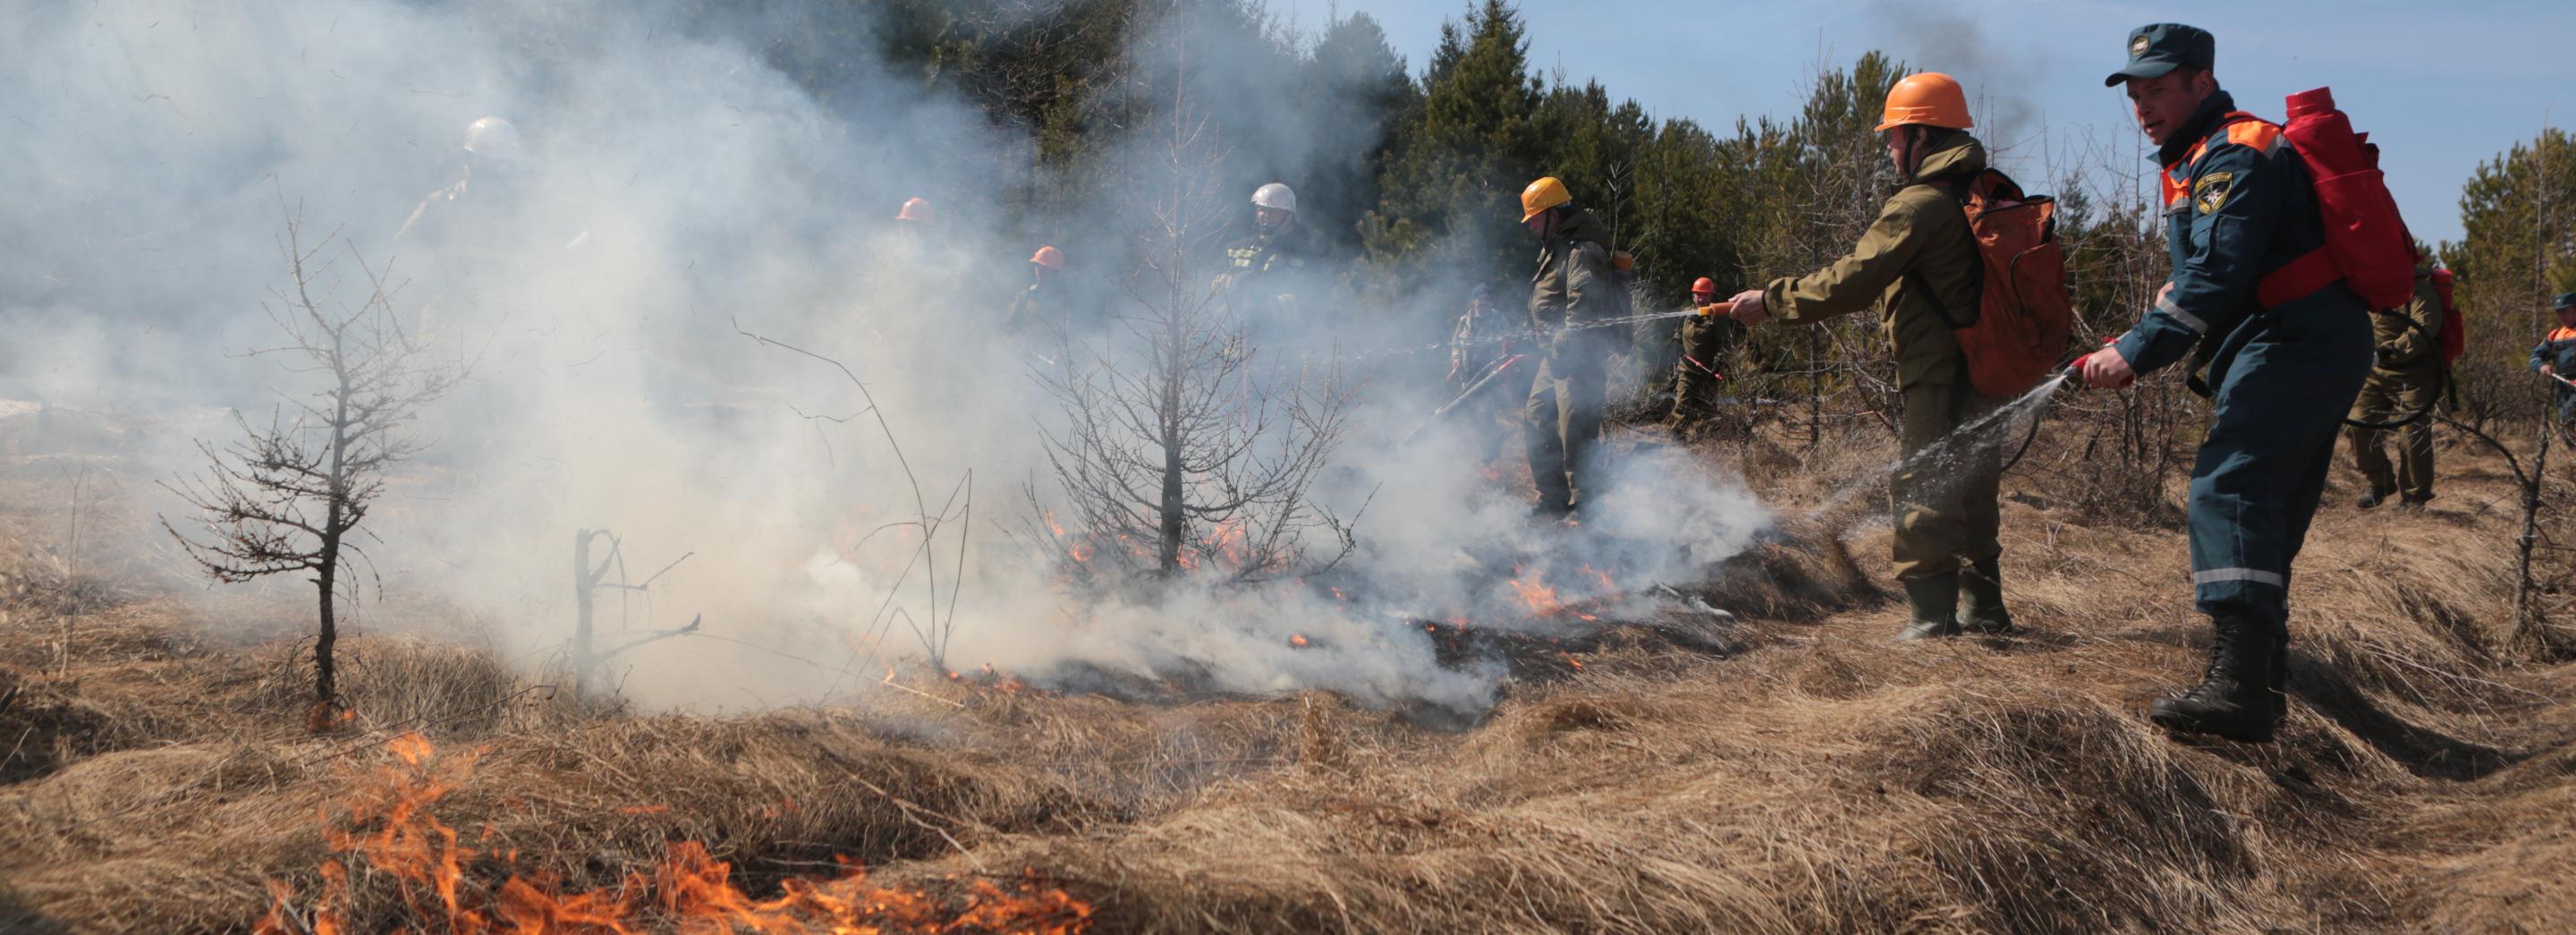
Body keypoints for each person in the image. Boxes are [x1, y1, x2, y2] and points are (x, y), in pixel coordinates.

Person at [2075, 24, 2377, 743]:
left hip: (2297, 339)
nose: (2144, 105)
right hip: (2306, 337)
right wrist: (2152, 319)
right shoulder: (2201, 156)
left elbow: (2218, 276)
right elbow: (2217, 270)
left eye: (2159, 89)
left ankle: (2238, 689)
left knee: (2228, 489)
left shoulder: (2232, 155)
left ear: (2200, 84)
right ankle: (2261, 689)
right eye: (2137, 92)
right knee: (2263, 507)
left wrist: (2137, 352)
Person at [1725, 72, 2009, 640]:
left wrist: (1772, 301)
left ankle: (1931, 623)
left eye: (1895, 136)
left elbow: (1853, 279)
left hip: (1938, 370)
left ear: (1923, 136)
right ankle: (1986, 613)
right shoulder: (1983, 190)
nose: (1889, 148)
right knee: (1973, 487)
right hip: (1990, 366)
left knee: (1924, 485)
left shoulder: (1920, 205)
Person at [1520, 176, 1621, 520]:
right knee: (1536, 419)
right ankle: (1552, 499)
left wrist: (1562, 341)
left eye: (1534, 218)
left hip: (1581, 359)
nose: (1531, 226)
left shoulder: (1583, 250)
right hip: (1557, 358)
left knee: (1575, 430)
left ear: (1554, 214)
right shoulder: (1555, 249)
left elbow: (1585, 306)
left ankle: (1587, 511)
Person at [2347, 259, 2445, 508]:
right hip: (2374, 372)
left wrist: (2390, 350)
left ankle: (2414, 497)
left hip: (2414, 375)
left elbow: (2425, 326)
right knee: (2358, 423)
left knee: (2413, 436)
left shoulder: (2418, 287)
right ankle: (2380, 482)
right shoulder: (2367, 282)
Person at [1216, 183, 1317, 319]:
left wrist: (1263, 306)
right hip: (1232, 333)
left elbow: (1310, 301)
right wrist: (1232, 282)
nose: (1266, 215)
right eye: (1262, 209)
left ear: (1289, 215)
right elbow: (1210, 285)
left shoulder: (1305, 255)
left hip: (1281, 336)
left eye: (1274, 211)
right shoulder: (1235, 249)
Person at [1668, 276, 1745, 433]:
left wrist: (1717, 366)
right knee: (1681, 406)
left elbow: (1724, 346)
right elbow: (1678, 334)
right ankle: (1676, 439)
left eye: (1704, 295)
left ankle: (1707, 444)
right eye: (1698, 295)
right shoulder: (1686, 313)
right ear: (1693, 296)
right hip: (1686, 371)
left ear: (1711, 296)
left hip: (1707, 374)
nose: (1701, 299)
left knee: (1707, 412)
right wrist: (1676, 345)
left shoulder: (1717, 317)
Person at [2530, 293, 2576, 422]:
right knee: (2564, 423)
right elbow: (2535, 356)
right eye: (2559, 312)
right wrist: (2541, 366)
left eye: (2565, 311)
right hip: (2563, 386)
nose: (2562, 316)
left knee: (2569, 416)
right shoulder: (2555, 335)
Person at [1004, 245, 1068, 333]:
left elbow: (1070, 330)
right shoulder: (1024, 296)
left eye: (1045, 268)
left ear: (1055, 272)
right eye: (1038, 266)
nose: (1040, 270)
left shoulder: (1064, 299)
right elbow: (1010, 326)